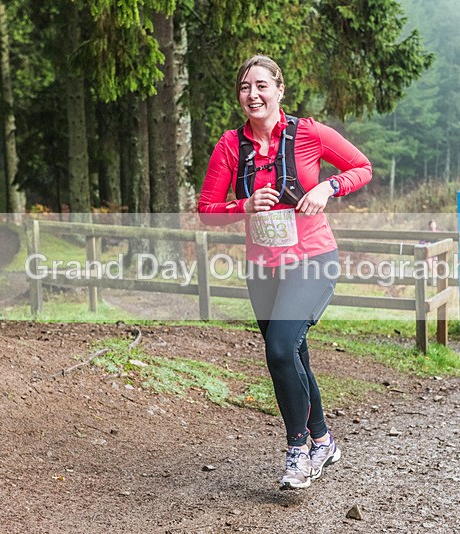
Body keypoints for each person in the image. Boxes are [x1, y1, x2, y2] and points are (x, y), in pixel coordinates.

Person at [198, 55, 372, 490]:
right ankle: (324, 439)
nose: (252, 94)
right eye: (244, 87)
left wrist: (327, 187)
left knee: (278, 350)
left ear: (279, 89)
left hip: (312, 259)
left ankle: (299, 453)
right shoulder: (230, 146)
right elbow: (206, 211)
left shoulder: (309, 134)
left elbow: (361, 167)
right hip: (263, 269)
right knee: (293, 354)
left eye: (261, 85)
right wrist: (243, 206)